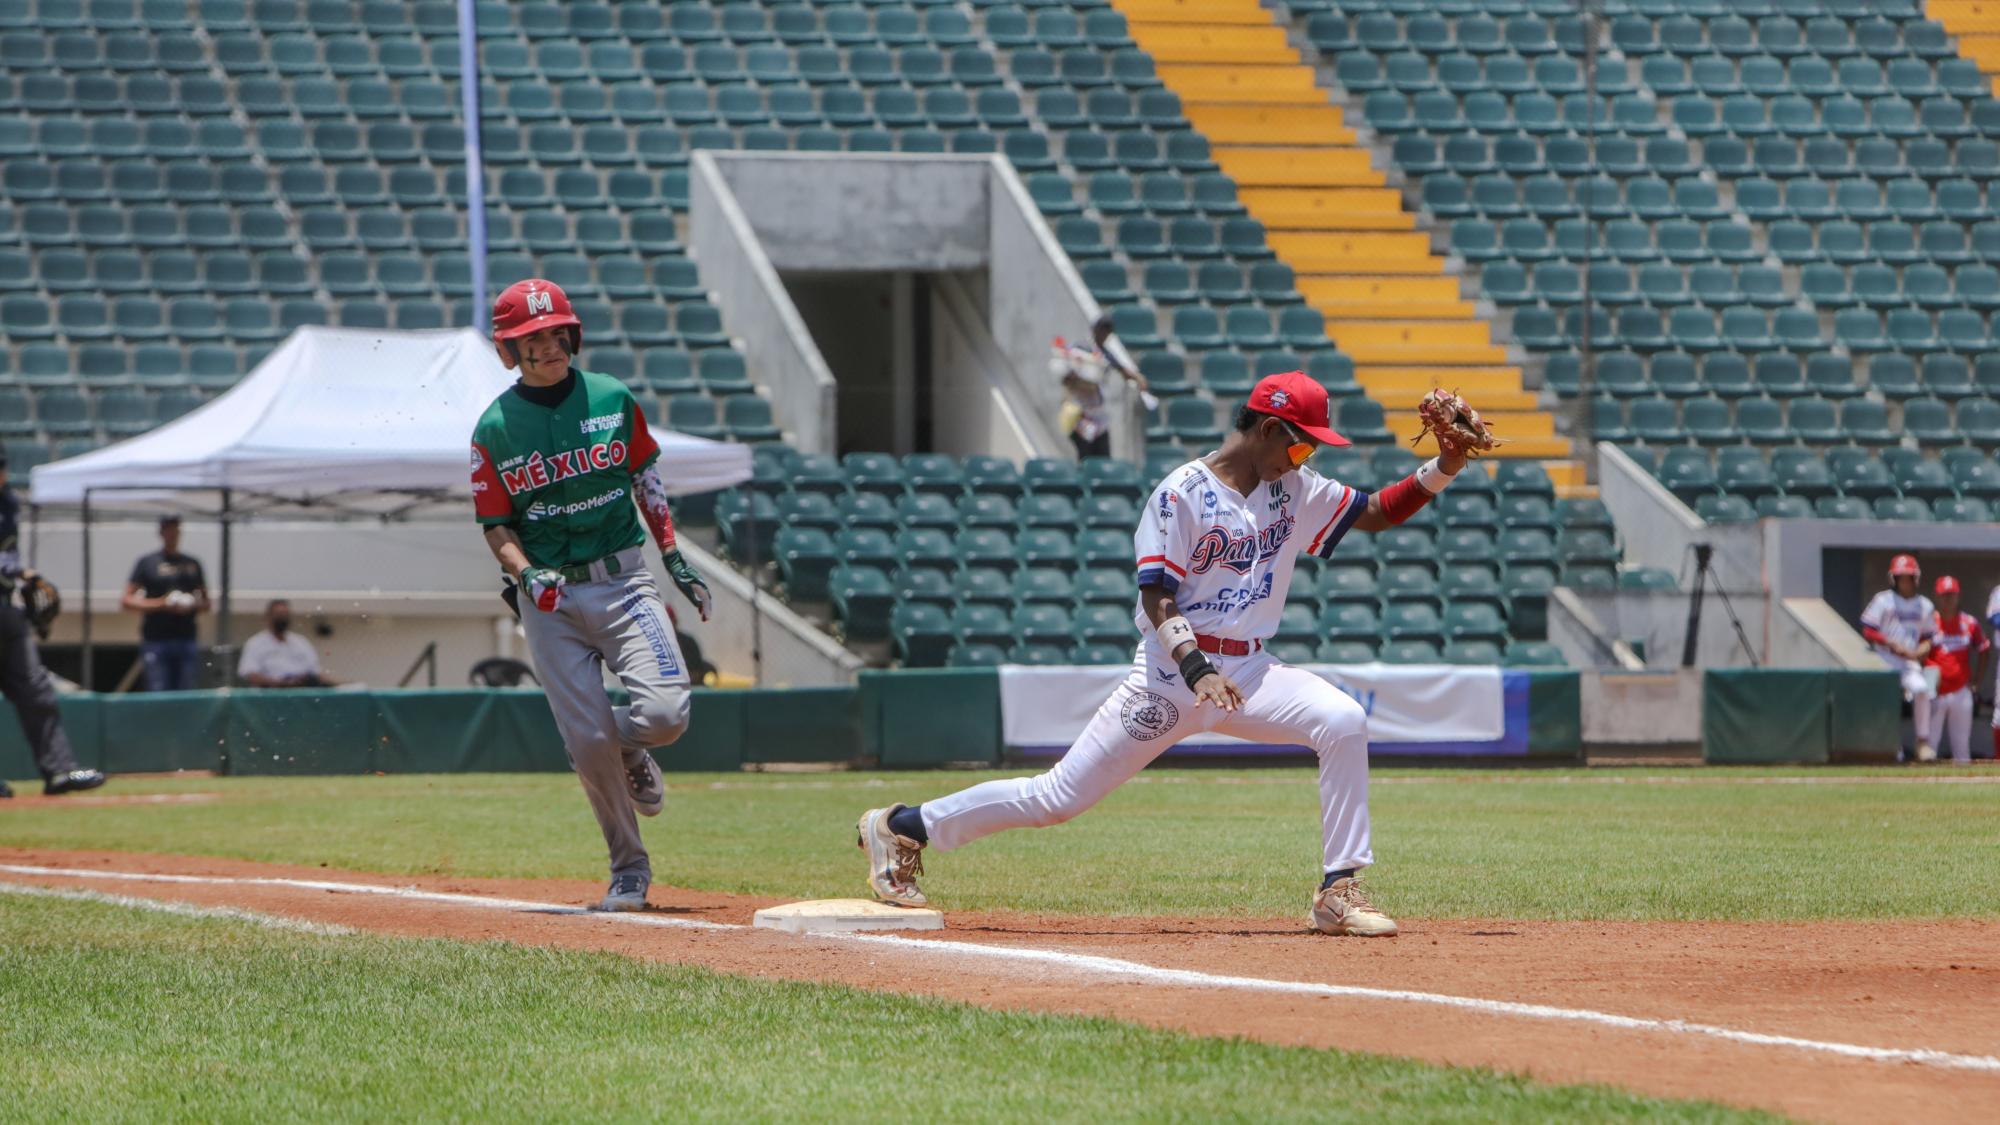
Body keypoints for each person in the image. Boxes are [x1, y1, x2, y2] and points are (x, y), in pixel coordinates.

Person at [858, 371, 1480, 937]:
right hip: (1168, 678)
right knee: (1054, 799)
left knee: (1342, 720)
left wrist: (1445, 466)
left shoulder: (1291, 487)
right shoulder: (1181, 493)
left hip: (1251, 671)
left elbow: (1372, 513)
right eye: (1301, 443)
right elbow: (1156, 594)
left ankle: (1337, 889)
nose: (1306, 455)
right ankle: (904, 826)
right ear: (1268, 428)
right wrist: (1196, 669)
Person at [470, 278, 714, 913]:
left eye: (556, 334)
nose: (548, 347)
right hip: (548, 599)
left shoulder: (611, 396)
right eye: (532, 339)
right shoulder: (494, 427)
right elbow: (495, 525)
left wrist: (674, 559)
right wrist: (525, 573)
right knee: (585, 742)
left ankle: (629, 746)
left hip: (625, 579)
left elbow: (646, 477)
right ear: (509, 351)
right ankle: (629, 868)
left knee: (665, 715)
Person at [0, 453, 106, 799]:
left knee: (36, 688)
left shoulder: (8, 502)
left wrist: (18, 574)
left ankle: (59, 771)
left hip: (5, 608)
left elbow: (8, 555)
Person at [1860, 554, 1939, 762]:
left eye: (1908, 577)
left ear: (1915, 578)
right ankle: (1891, 745)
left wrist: (1924, 647)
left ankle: (1922, 742)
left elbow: (1930, 636)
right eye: (1901, 577)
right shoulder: (1883, 600)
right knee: (1888, 701)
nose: (1905, 581)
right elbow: (1868, 630)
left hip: (1909, 662)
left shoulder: (1924, 605)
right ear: (1894, 578)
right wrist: (1891, 644)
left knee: (1922, 689)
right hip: (1885, 659)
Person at [121, 514, 209, 692]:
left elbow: (206, 603)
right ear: (161, 532)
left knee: (185, 690)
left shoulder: (192, 563)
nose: (172, 534)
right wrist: (161, 604)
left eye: (175, 530)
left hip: (186, 638)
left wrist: (190, 605)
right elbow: (127, 600)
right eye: (168, 530)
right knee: (159, 690)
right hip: (156, 640)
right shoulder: (148, 563)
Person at [1925, 576, 1988, 764]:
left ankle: (1964, 786)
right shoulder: (1928, 622)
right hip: (1934, 688)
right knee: (1929, 744)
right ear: (1937, 596)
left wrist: (1977, 682)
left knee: (1961, 746)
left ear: (1958, 596)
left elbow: (1984, 649)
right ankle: (1925, 786)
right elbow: (1917, 652)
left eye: (1951, 595)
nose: (1948, 600)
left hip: (1961, 689)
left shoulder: (1969, 622)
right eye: (1944, 595)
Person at [1052, 336, 1145, 461]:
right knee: (1086, 461)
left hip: (1100, 423)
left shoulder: (1097, 368)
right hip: (1081, 421)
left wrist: (1137, 377)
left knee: (1104, 460)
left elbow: (1115, 368)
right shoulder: (1070, 376)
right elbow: (1070, 383)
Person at [237, 599, 337, 688]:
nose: (282, 619)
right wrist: (280, 683)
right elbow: (250, 675)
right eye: (279, 615)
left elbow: (316, 673)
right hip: (273, 693)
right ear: (268, 617)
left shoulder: (301, 642)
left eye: (285, 615)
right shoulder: (255, 643)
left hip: (303, 691)